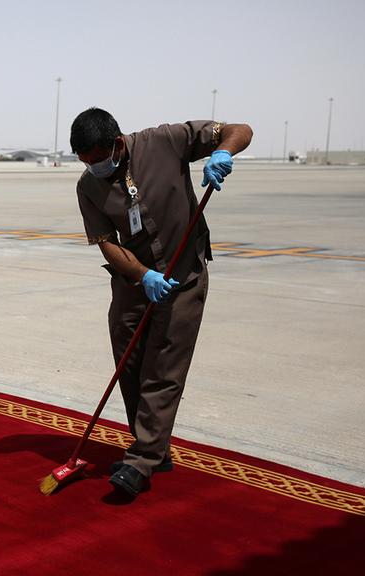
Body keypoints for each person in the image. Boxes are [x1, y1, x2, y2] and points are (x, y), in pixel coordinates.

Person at [69, 108, 252, 497]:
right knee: (129, 361)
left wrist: (223, 153)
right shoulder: (88, 186)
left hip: (183, 273)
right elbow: (106, 241)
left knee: (163, 367)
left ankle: (142, 460)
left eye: (98, 160)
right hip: (136, 279)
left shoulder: (165, 141)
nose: (93, 169)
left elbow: (239, 129)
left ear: (117, 144)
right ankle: (155, 446)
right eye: (85, 163)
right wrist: (143, 276)